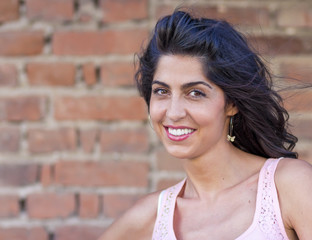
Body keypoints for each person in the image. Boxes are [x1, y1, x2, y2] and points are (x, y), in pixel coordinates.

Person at [98, 9, 312, 240]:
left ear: (231, 103)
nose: (174, 112)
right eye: (162, 91)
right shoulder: (149, 217)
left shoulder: (288, 186)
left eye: (195, 93)